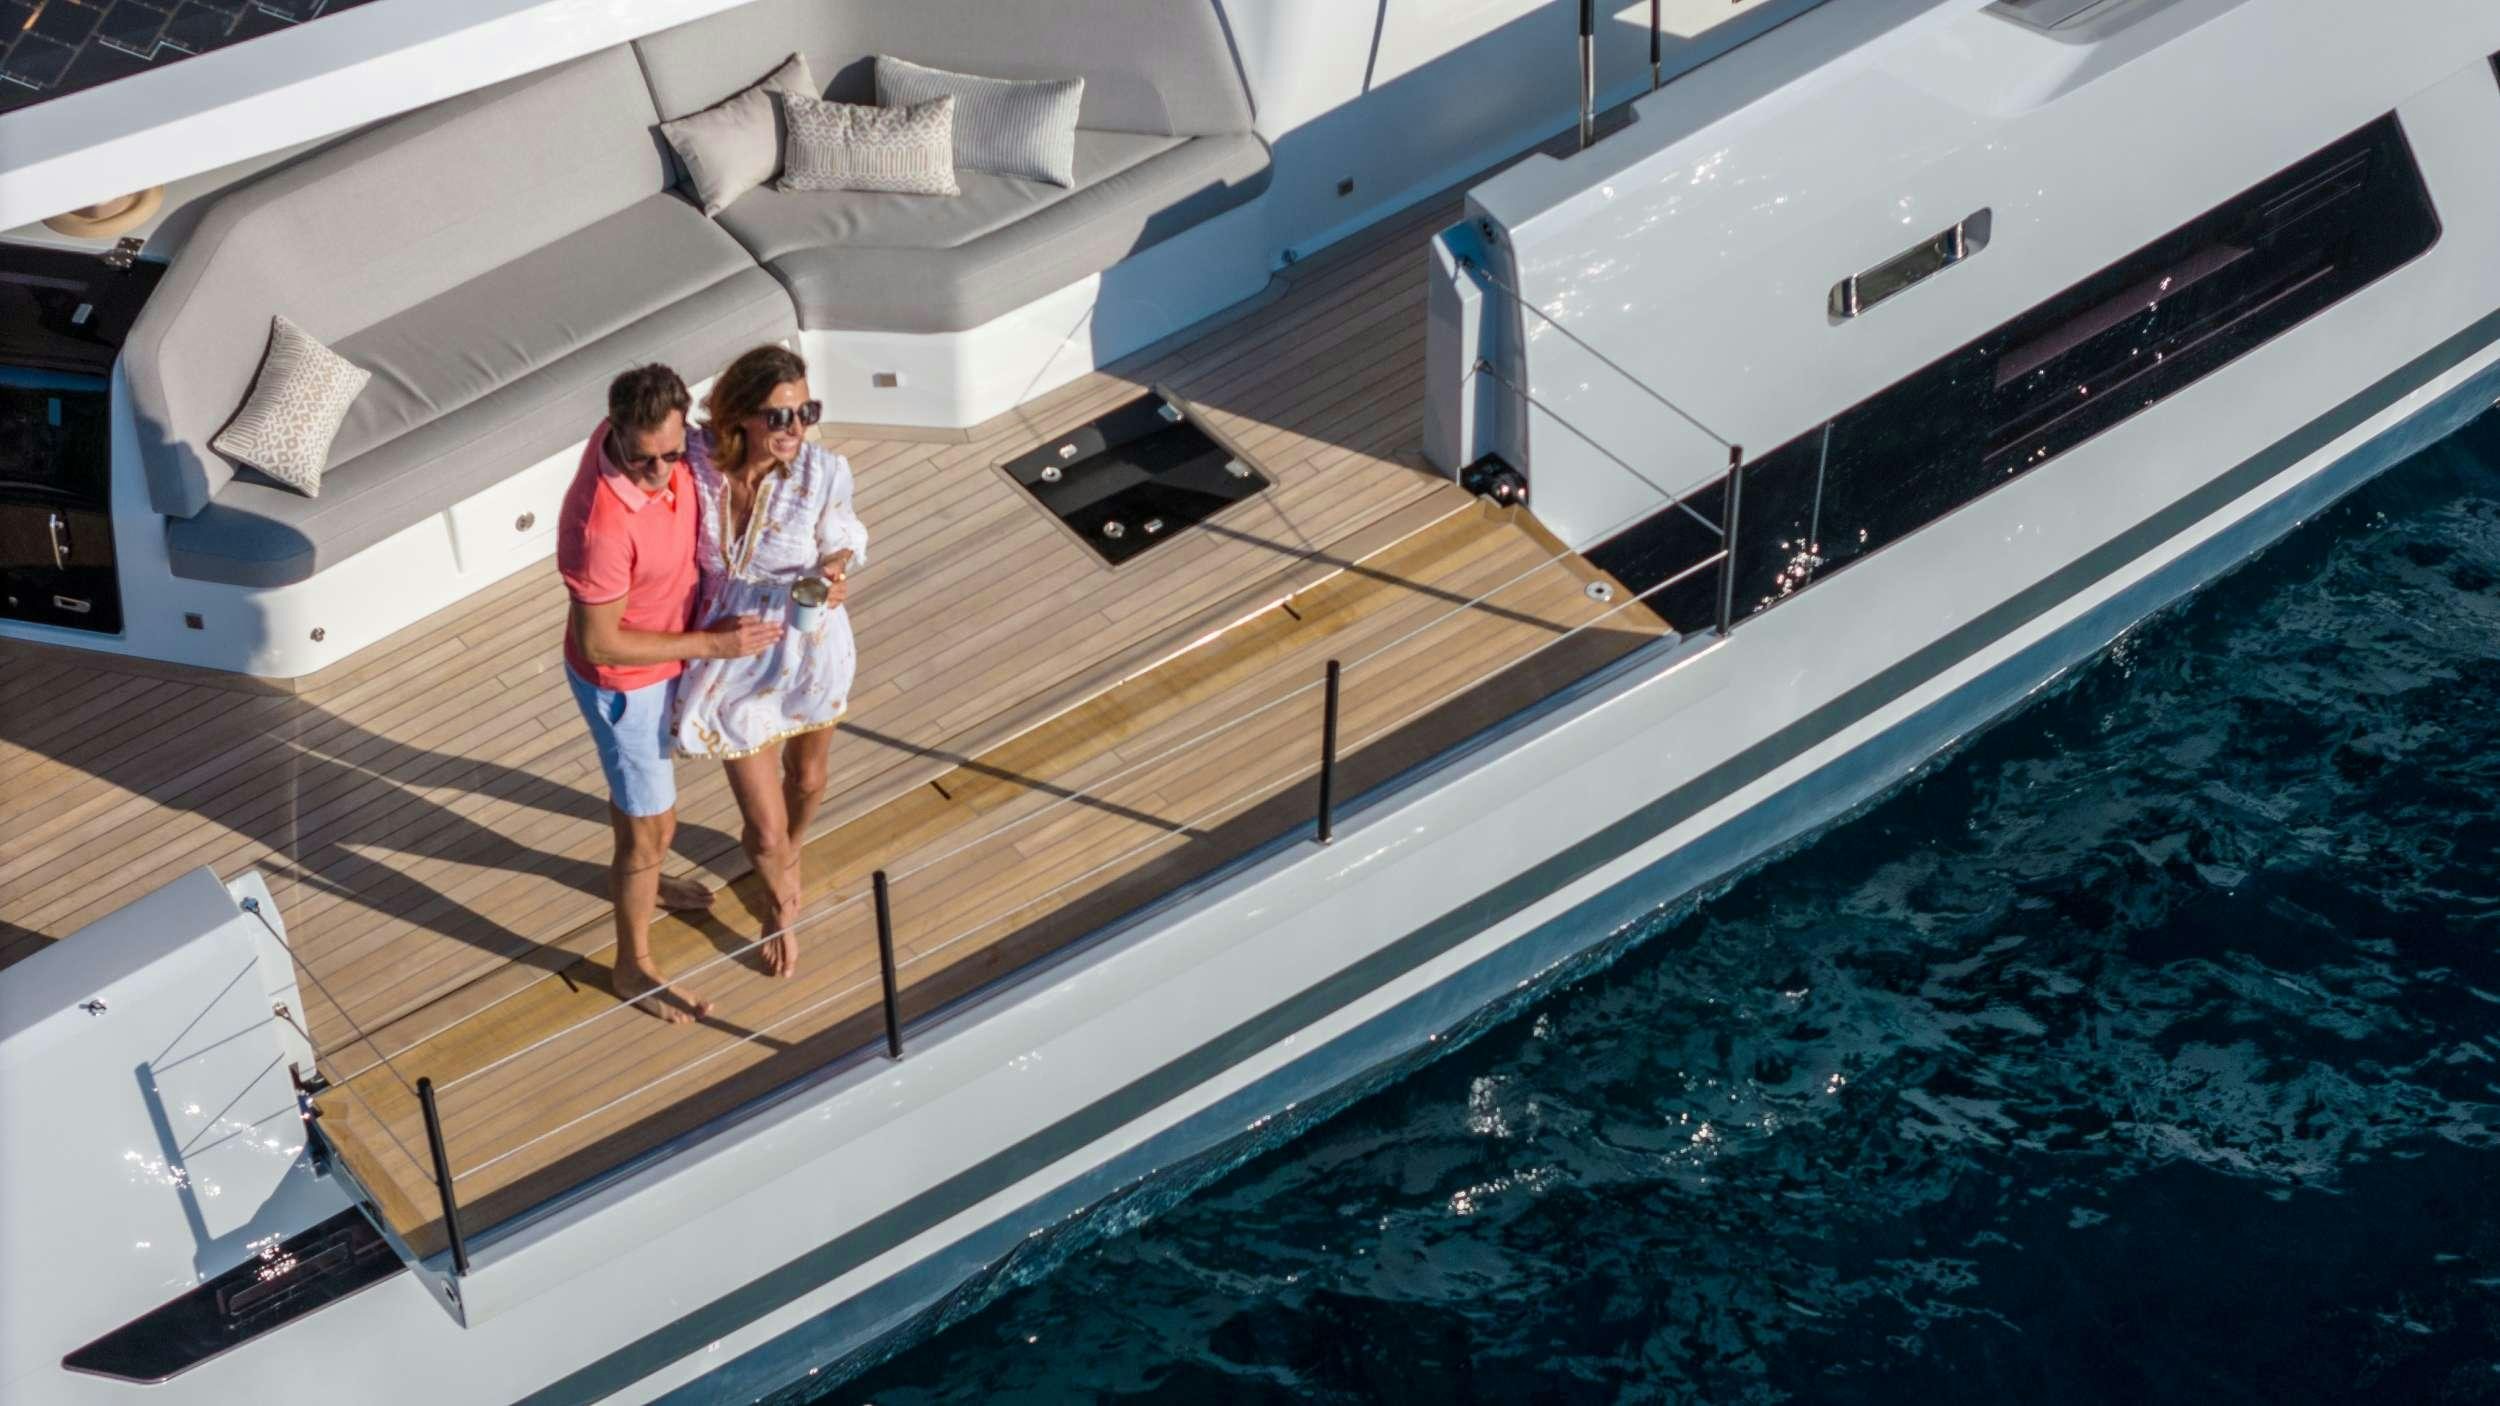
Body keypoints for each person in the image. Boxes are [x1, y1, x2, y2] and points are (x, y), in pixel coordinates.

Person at [558, 364, 782, 1023]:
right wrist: (715, 646)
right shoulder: (600, 526)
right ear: (615, 435)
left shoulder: (661, 438)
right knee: (650, 829)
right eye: (642, 460)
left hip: (676, 646)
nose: (659, 473)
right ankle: (632, 965)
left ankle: (648, 878)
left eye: (671, 454)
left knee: (652, 821)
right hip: (628, 685)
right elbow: (600, 643)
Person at [673, 345, 868, 980]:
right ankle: (781, 900)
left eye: (806, 412)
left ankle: (792, 852)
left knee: (807, 782)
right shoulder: (696, 463)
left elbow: (842, 534)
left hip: (806, 646)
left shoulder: (822, 470)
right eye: (780, 416)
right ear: (740, 416)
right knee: (760, 827)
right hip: (734, 655)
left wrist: (833, 573)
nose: (796, 429)